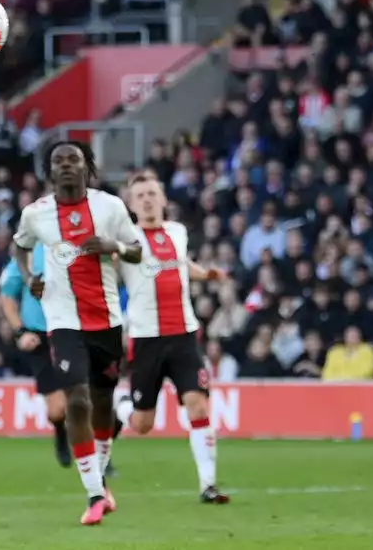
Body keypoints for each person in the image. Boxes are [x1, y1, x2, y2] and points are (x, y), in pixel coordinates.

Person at [12, 141, 142, 526]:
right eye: (58, 161)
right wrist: (28, 278)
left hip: (107, 321)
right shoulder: (35, 214)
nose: (66, 165)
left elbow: (136, 250)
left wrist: (113, 245)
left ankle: (99, 481)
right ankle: (95, 494)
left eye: (73, 159)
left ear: (87, 166)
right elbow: (19, 247)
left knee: (103, 405)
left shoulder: (110, 207)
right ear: (49, 172)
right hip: (63, 321)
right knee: (78, 402)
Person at [111, 175, 230, 504]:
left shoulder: (177, 232)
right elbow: (108, 268)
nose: (147, 200)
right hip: (146, 339)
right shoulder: (126, 239)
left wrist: (204, 274)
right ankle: (118, 407)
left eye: (152, 193)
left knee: (198, 404)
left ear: (163, 199)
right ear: (131, 205)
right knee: (143, 423)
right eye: (140, 196)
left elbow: (179, 262)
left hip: (183, 335)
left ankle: (208, 485)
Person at [0, 243, 71, 467]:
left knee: (83, 399)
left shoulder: (72, 247)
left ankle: (99, 455)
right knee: (57, 410)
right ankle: (60, 432)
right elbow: (7, 296)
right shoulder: (28, 253)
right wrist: (20, 332)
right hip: (39, 337)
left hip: (72, 331)